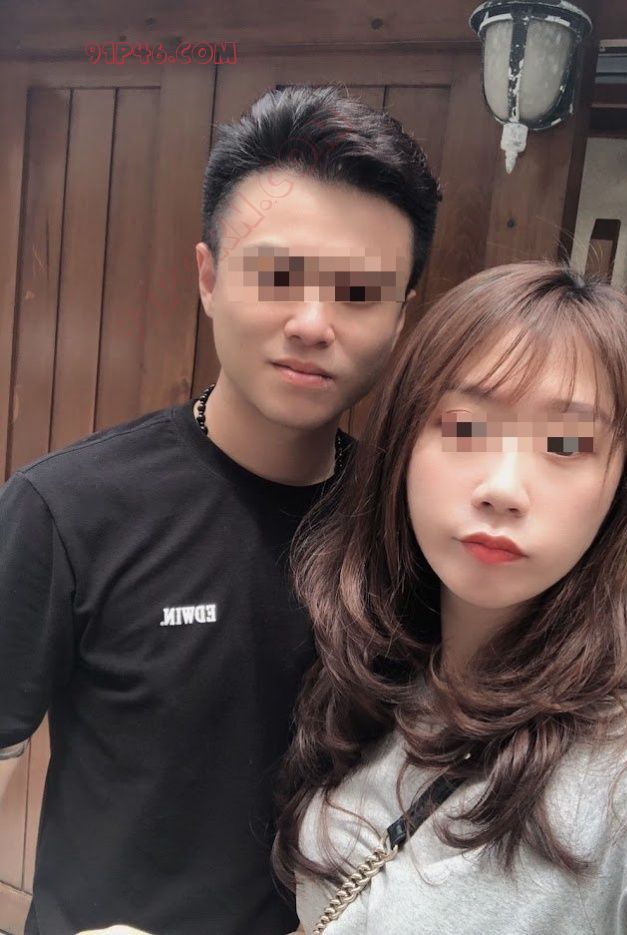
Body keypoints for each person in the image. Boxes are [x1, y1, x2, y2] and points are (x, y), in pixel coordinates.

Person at [0, 84, 441, 935]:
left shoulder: (411, 531)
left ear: (400, 317)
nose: (312, 323)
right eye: (277, 276)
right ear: (208, 277)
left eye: (359, 292)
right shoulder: (68, 509)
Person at [272, 262, 627, 935]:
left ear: (623, 487)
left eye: (567, 443)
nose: (502, 487)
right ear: (403, 448)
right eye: (465, 427)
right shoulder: (376, 689)